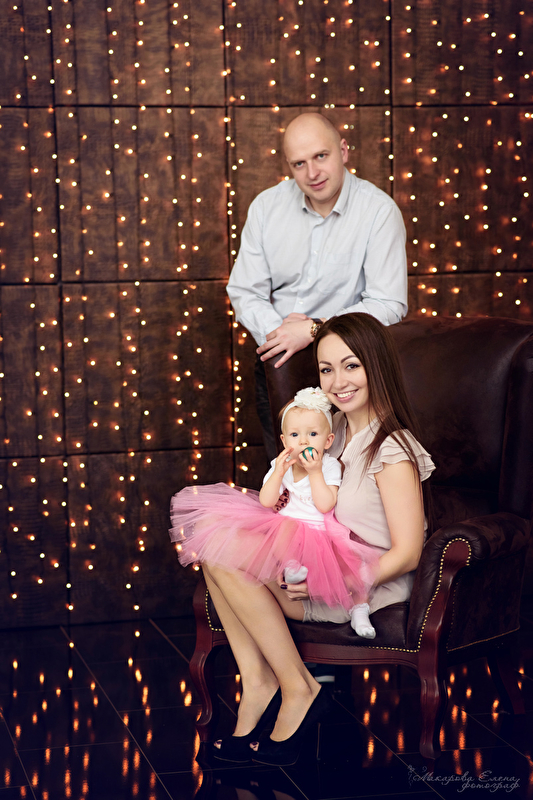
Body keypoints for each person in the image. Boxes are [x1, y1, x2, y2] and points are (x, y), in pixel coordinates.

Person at [174, 313, 434, 768]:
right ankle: (258, 680)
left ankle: (296, 686)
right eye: (326, 369)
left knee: (221, 551)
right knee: (213, 544)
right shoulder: (333, 432)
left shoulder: (392, 448)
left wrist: (328, 580)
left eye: (351, 366)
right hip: (316, 561)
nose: (338, 382)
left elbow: (409, 553)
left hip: (360, 586)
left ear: (376, 366)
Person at [226, 112, 408, 460]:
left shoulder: (379, 211)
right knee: (286, 474)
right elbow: (245, 290)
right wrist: (283, 337)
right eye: (299, 163)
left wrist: (314, 330)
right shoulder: (266, 207)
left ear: (344, 150)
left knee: (346, 472)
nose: (312, 173)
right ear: (289, 166)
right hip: (279, 362)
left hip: (353, 368)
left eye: (321, 156)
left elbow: (389, 303)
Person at [170, 386, 379, 638]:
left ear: (328, 441)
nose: (303, 441)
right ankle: (291, 566)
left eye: (312, 434)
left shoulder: (328, 466)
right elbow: (267, 501)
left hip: (319, 534)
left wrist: (315, 473)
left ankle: (359, 612)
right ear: (284, 441)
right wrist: (278, 473)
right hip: (286, 530)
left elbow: (325, 504)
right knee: (285, 526)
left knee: (351, 570)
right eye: (295, 435)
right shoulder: (282, 466)